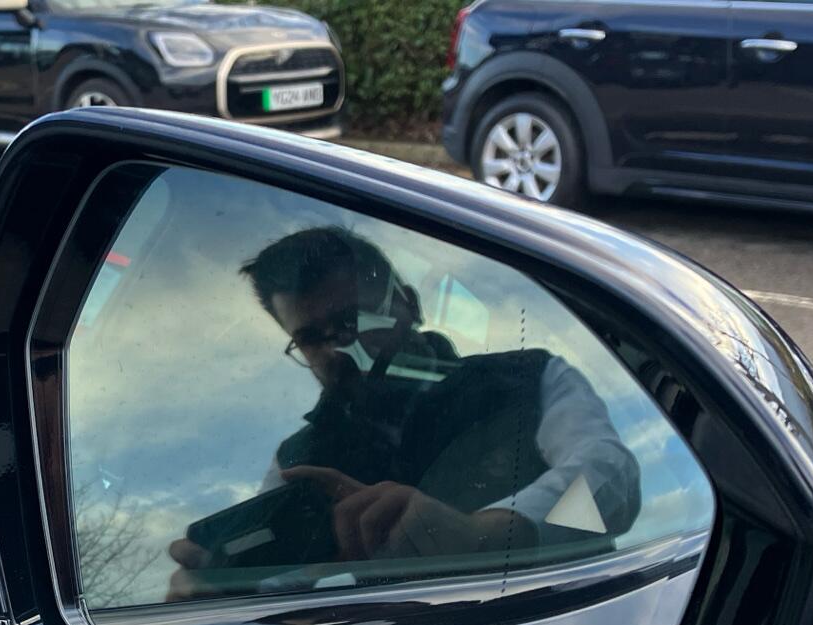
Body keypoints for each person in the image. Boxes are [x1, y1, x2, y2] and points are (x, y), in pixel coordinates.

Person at [168, 226, 641, 600]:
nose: (337, 348)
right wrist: (219, 589)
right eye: (311, 338)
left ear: (408, 304)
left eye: (351, 322)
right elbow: (277, 579)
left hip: (554, 621)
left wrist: (490, 534)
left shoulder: (529, 378)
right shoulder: (298, 462)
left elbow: (610, 473)